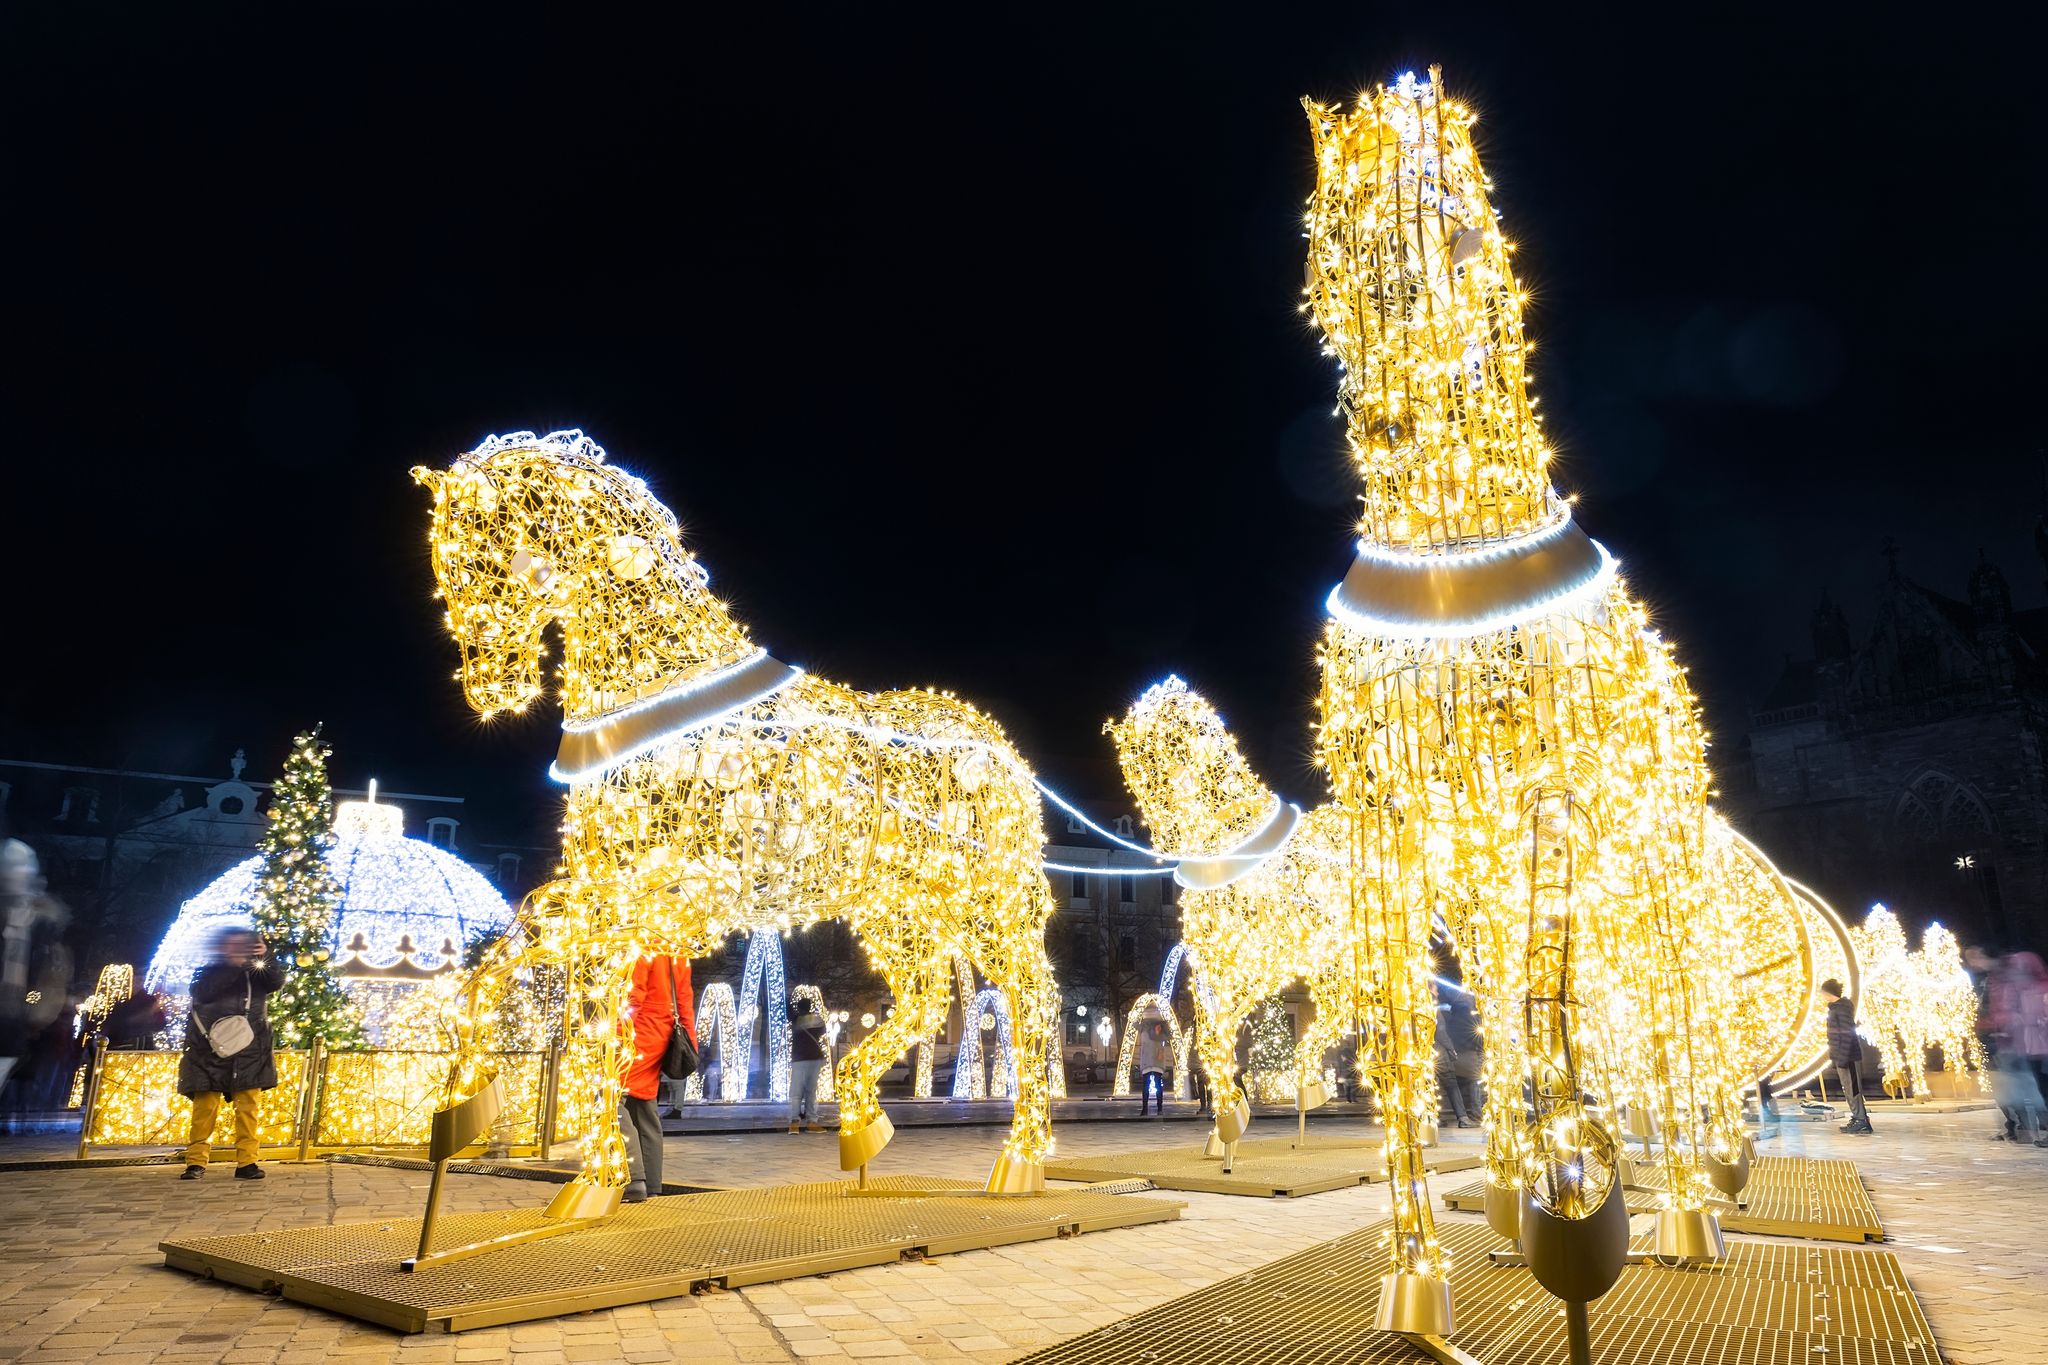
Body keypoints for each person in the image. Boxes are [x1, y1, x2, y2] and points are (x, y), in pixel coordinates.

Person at [177, 927, 286, 1179]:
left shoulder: (256, 973)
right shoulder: (206, 972)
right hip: (208, 1050)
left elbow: (276, 981)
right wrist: (234, 966)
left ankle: (247, 1162)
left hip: (249, 1049)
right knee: (205, 1108)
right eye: (232, 946)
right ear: (222, 947)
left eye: (242, 946)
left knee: (248, 1107)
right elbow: (204, 992)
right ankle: (196, 1162)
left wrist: (266, 957)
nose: (237, 951)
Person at [618, 954, 695, 1202]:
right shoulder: (676, 951)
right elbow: (685, 1001)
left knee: (609, 1099)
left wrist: (616, 1036)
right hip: (661, 1035)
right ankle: (651, 1183)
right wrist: (690, 1043)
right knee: (643, 1104)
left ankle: (633, 1178)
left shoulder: (642, 946)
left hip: (639, 1033)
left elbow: (633, 997)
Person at [1983, 950, 2048, 1147]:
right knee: (2039, 1091)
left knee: (2041, 1092)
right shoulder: (2017, 990)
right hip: (2029, 1049)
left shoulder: (2041, 988)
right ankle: (2023, 1130)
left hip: (2041, 1048)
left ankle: (2027, 1129)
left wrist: (2019, 1020)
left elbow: (2039, 1018)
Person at [1820, 978, 1872, 1135]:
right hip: (1842, 1056)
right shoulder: (1837, 1008)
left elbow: (1846, 1034)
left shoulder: (1841, 1009)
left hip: (1848, 1057)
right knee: (1848, 1089)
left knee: (1853, 1089)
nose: (1821, 995)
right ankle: (1858, 1118)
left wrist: (1842, 1057)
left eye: (1823, 992)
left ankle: (1861, 1120)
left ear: (1829, 993)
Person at [788, 997, 827, 1133]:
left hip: (799, 1058)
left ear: (799, 1008)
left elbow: (789, 1013)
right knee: (811, 1091)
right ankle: (812, 1121)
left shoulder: (796, 1020)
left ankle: (794, 1122)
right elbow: (822, 1032)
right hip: (814, 1057)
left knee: (796, 1091)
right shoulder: (817, 1019)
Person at [1136, 1023, 1167, 1116]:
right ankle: (1152, 1109)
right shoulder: (1149, 1032)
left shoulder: (1155, 1033)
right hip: (1151, 1062)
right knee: (1152, 1086)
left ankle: (1151, 1108)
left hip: (1152, 1062)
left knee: (1152, 1086)